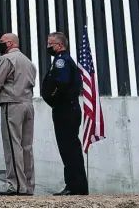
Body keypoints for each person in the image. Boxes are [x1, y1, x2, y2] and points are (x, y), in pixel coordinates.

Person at [0, 33, 37, 196]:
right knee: (26, 146)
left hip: (12, 103)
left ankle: (16, 185)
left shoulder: (6, 59)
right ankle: (29, 185)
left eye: (2, 42)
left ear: (9, 43)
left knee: (12, 145)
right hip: (28, 104)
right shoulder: (29, 62)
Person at [41, 32, 88, 196]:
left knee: (68, 148)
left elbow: (60, 84)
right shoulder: (64, 60)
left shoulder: (61, 60)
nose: (48, 47)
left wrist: (51, 98)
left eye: (50, 44)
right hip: (69, 108)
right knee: (71, 147)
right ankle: (78, 186)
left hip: (65, 109)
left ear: (59, 45)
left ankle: (74, 186)